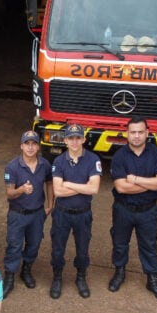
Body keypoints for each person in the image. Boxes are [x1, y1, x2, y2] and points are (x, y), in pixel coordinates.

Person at [108, 117, 157, 301]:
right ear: (127, 134)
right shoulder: (119, 156)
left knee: (149, 245)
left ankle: (152, 279)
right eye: (133, 132)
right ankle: (119, 272)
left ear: (147, 133)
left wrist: (135, 179)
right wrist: (152, 183)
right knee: (120, 242)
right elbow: (121, 187)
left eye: (140, 132)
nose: (136, 136)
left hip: (148, 211)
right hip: (123, 209)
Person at [50, 124, 102, 299]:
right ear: (65, 140)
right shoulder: (58, 161)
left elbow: (94, 189)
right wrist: (84, 187)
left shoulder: (93, 159)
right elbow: (57, 191)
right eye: (70, 138)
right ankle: (57, 277)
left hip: (83, 213)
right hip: (62, 213)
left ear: (83, 139)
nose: (74, 141)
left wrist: (69, 183)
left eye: (78, 137)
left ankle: (81, 277)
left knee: (82, 249)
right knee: (57, 249)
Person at [2, 130, 54, 298]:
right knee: (14, 245)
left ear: (38, 146)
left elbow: (49, 183)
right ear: (21, 146)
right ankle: (9, 276)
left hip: (37, 213)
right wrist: (22, 189)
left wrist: (51, 205)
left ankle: (26, 270)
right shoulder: (12, 166)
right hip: (18, 213)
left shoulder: (44, 164)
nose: (30, 147)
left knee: (34, 243)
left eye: (34, 143)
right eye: (27, 144)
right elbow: (9, 193)